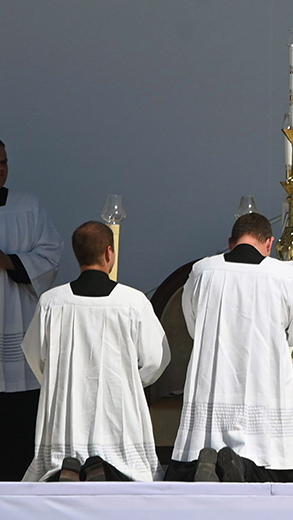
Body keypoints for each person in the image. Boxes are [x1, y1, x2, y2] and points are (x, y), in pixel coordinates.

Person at [167, 212, 293, 482]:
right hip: (265, 383)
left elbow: (193, 324)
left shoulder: (203, 271)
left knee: (206, 437)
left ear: (230, 242)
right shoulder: (283, 275)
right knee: (272, 458)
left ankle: (210, 458)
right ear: (269, 244)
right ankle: (245, 468)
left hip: (215, 380)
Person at [24, 221, 168, 481]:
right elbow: (156, 358)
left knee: (60, 457)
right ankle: (107, 467)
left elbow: (35, 355)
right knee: (128, 467)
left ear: (77, 254)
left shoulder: (52, 302)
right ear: (109, 253)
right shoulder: (133, 302)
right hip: (117, 404)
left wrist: (56, 382)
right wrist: (131, 382)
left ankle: (68, 467)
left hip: (67, 406)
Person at [0, 141, 61, 482]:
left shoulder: (28, 207)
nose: (1, 168)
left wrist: (9, 262)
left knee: (19, 421)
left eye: (4, 162)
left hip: (18, 320)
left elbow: (51, 254)